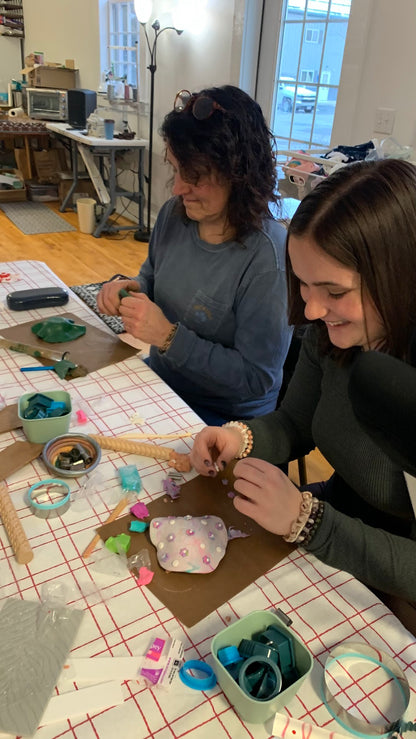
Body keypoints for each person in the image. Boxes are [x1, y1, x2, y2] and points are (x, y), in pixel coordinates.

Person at [190, 158, 416, 604]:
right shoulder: (333, 332)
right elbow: (295, 423)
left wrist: (307, 521)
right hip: (333, 523)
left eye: (334, 293)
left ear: (400, 276)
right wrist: (239, 437)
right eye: (303, 284)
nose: (311, 311)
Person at [97, 85, 292, 426]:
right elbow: (151, 278)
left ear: (239, 174)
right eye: (176, 169)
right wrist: (129, 287)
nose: (177, 188)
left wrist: (168, 338)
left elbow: (256, 379)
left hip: (227, 421)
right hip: (162, 386)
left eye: (195, 176)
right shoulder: (175, 214)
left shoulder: (268, 259)